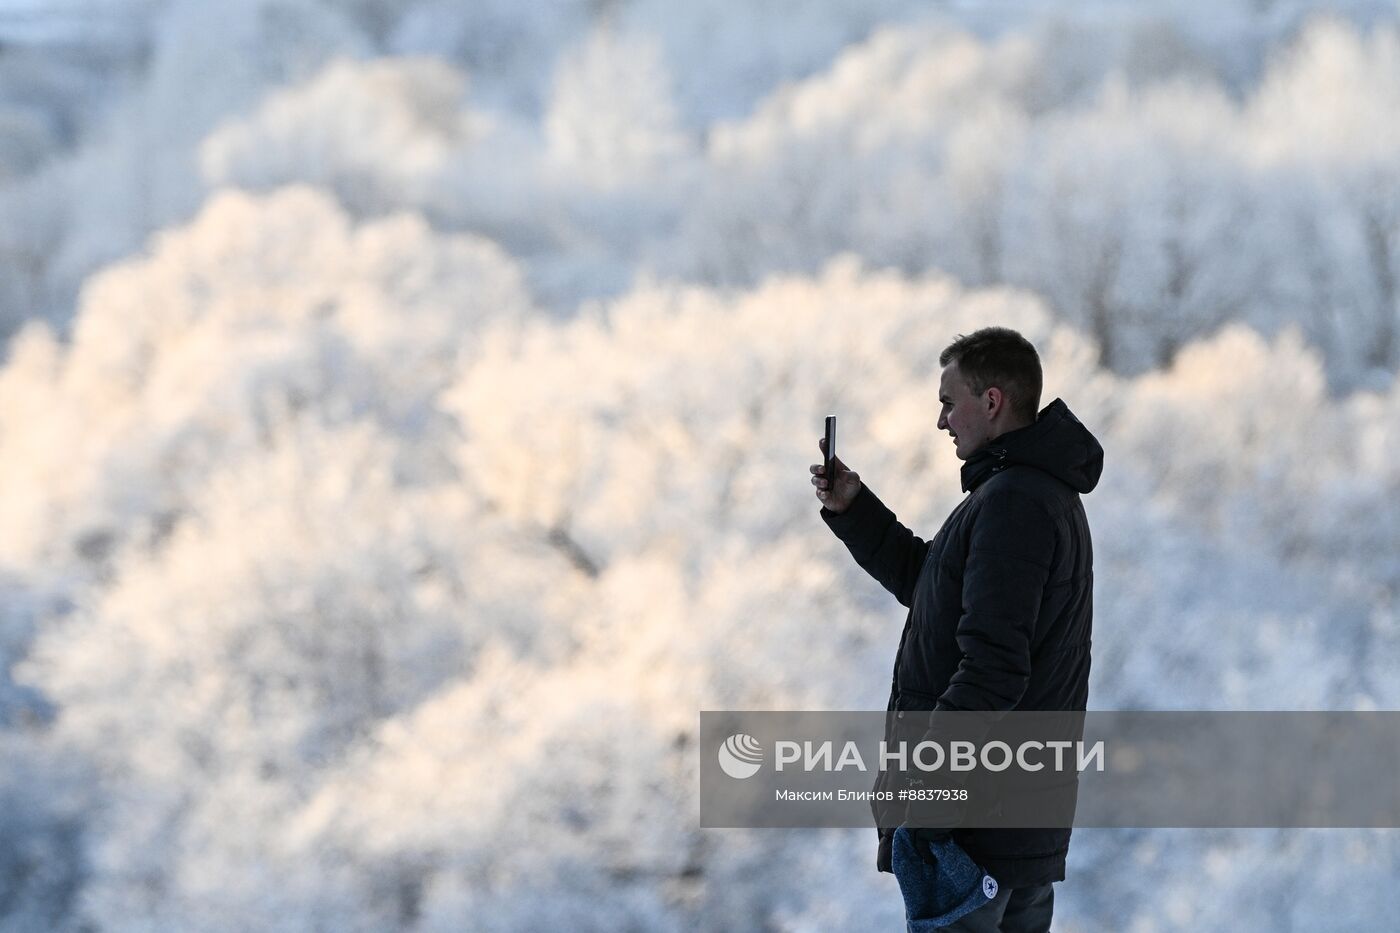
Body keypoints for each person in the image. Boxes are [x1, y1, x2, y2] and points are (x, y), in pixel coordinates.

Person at [810, 326, 1103, 932]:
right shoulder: (1032, 495)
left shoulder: (1014, 502)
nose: (941, 420)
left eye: (949, 402)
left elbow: (993, 667)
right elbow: (936, 594)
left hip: (973, 829)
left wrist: (927, 788)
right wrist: (855, 510)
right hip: (1013, 827)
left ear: (991, 401)